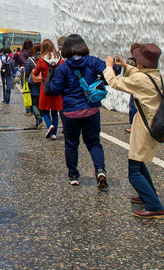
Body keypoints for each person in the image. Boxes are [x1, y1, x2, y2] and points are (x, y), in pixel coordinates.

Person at [104, 43, 164, 219]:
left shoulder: (140, 79)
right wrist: (126, 66)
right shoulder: (156, 75)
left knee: (134, 171)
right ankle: (147, 195)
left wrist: (109, 68)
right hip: (152, 124)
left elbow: (115, 82)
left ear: (142, 62)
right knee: (140, 163)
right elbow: (141, 76)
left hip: (144, 128)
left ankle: (155, 206)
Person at [48, 34, 117, 188]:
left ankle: (73, 175)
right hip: (91, 110)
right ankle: (100, 170)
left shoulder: (63, 68)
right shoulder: (92, 62)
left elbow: (55, 89)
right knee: (94, 143)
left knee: (71, 144)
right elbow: (110, 72)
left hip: (71, 112)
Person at [31, 40, 63, 140]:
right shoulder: (60, 59)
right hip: (57, 89)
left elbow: (36, 73)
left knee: (44, 111)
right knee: (55, 112)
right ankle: (54, 134)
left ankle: (49, 126)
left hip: (45, 89)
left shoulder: (41, 60)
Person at [23, 43, 43, 128]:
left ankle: (38, 117)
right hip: (42, 83)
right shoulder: (43, 59)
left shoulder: (29, 60)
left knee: (34, 103)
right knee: (40, 102)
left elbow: (26, 72)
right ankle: (40, 117)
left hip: (33, 83)